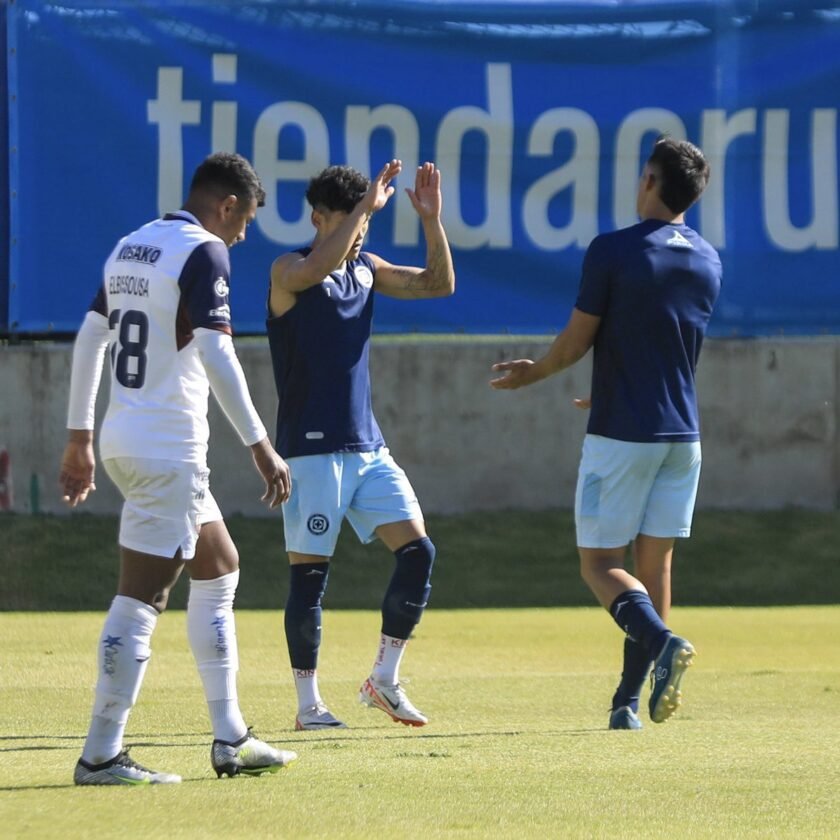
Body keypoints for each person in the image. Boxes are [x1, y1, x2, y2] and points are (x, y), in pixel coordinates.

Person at [59, 152, 299, 784]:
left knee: (219, 565)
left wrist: (79, 437)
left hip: (124, 437)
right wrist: (259, 443)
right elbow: (218, 354)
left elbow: (90, 337)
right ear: (226, 206)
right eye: (244, 220)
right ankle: (100, 755)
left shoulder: (132, 245)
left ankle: (231, 738)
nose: (243, 235)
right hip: (168, 449)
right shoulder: (204, 252)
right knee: (143, 595)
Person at [490, 137, 722, 730]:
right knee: (656, 569)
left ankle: (664, 644)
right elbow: (672, 346)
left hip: (623, 434)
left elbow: (575, 342)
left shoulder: (613, 250)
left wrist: (533, 371)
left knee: (598, 563)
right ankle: (626, 703)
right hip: (681, 436)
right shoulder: (707, 259)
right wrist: (617, 382)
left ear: (649, 181)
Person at [267, 160, 455, 730]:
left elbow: (438, 284)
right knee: (310, 579)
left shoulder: (367, 268)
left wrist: (431, 220)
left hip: (368, 448)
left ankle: (384, 680)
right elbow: (319, 264)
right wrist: (362, 211)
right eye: (350, 219)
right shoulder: (289, 269)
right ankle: (308, 708)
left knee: (419, 552)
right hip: (310, 451)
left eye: (367, 221)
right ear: (319, 217)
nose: (362, 231)